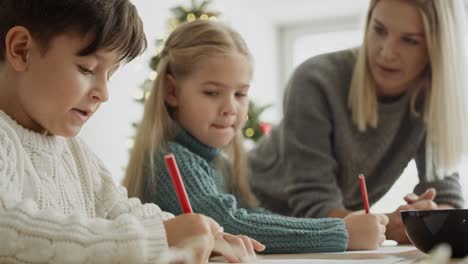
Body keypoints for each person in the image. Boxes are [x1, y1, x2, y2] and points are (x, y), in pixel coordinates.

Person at [0, 1, 262, 263]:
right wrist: (160, 237)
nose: (103, 93)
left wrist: (205, 234)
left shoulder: (76, 152)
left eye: (110, 75)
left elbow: (119, 210)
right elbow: (8, 230)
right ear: (22, 50)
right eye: (87, 69)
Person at [123, 19, 388, 254]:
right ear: (172, 91)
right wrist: (341, 231)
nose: (230, 108)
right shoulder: (171, 160)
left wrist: (339, 227)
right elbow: (231, 222)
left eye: (240, 94)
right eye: (212, 92)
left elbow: (251, 214)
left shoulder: (219, 163)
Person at [248, 0, 468, 244]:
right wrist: (392, 227)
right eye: (379, 30)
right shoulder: (315, 79)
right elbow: (313, 206)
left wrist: (432, 217)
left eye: (410, 40)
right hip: (252, 214)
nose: (386, 52)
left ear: (437, 47)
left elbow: (446, 191)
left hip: (320, 237)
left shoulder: (431, 99)